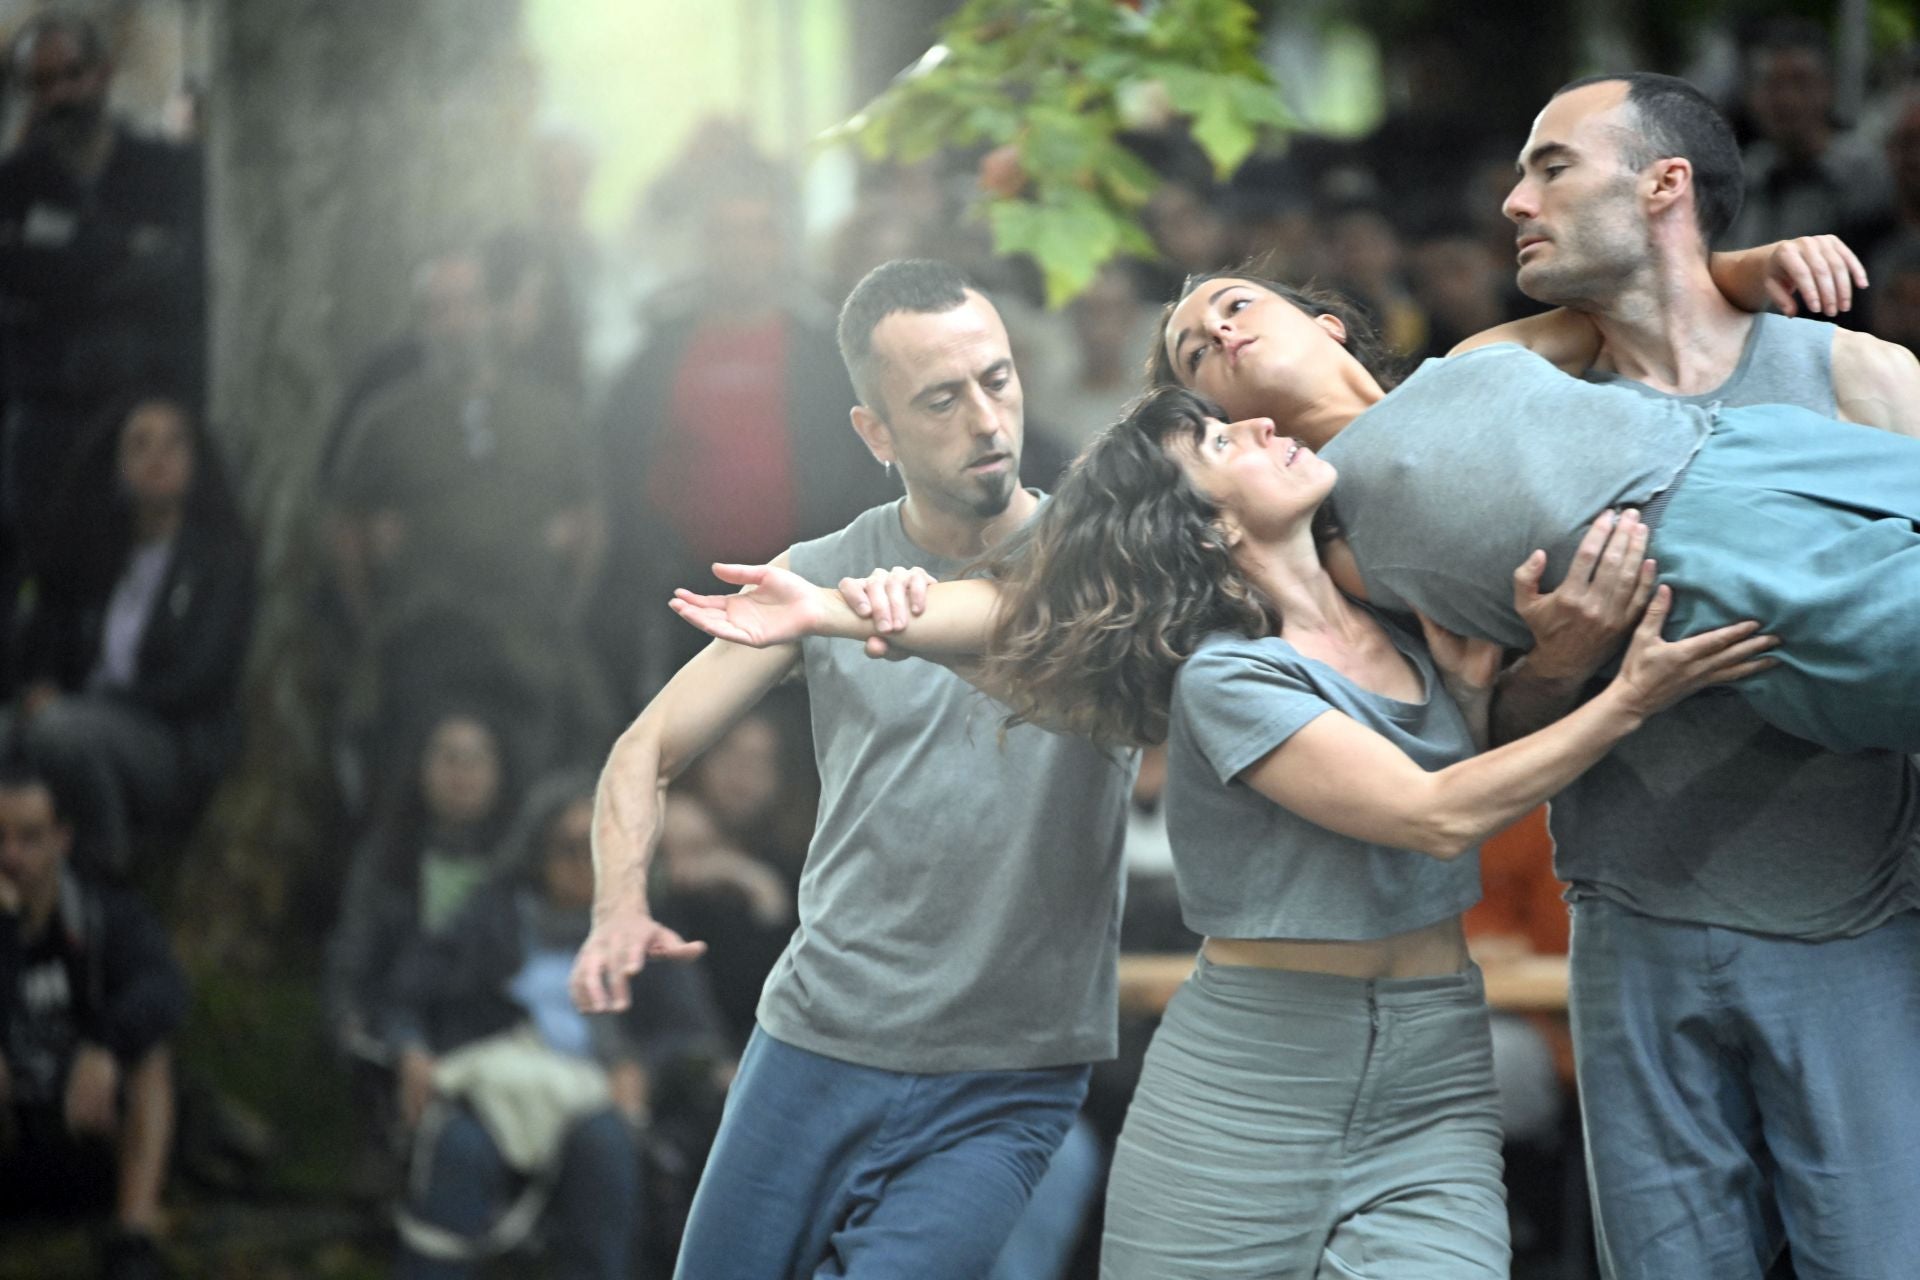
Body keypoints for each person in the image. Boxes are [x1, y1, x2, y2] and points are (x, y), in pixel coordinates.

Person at [666, 383, 1768, 1275]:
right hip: (1254, 1070)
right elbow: (1435, 815)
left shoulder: (1405, 613)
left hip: (1432, 1054)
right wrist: (1630, 697)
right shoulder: (1227, 675)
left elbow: (1457, 767)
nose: (1256, 424)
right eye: (1215, 438)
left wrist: (1527, 681)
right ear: (1208, 521)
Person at [569, 260, 1136, 1278]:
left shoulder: (1099, 562)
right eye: (941, 396)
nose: (986, 418)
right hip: (815, 1040)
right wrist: (618, 902)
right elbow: (643, 747)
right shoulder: (822, 570)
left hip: (1008, 1070)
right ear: (875, 432)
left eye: (998, 379)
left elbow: (1056, 633)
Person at [1479, 74, 1920, 1280]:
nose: (1516, 198)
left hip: (1861, 924)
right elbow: (1482, 719)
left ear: (1664, 183)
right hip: (1631, 926)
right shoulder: (1528, 413)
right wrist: (1565, 661)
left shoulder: (1860, 379)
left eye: (1553, 164)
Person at [1145, 239, 1920, 754]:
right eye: (1194, 352)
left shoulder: (1472, 356)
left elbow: (1624, 304)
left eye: (1235, 304)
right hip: (1715, 568)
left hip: (1767, 448)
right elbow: (1468, 723)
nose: (1218, 331)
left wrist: (1758, 263)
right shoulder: (1326, 540)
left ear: (1328, 325)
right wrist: (1555, 659)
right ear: (1214, 413)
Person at [390, 771, 728, 1280]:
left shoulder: (647, 936)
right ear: (538, 849)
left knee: (607, 1147)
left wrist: (642, 1071)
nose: (583, 862)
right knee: (457, 1149)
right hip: (488, 1087)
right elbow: (408, 993)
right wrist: (410, 1049)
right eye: (569, 846)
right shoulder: (491, 915)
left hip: (594, 1097)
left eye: (597, 844)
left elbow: (694, 1037)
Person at [8, 391, 253, 867]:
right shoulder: (99, 554)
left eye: (173, 445)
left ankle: (109, 875)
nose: (157, 459)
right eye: (139, 445)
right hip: (85, 718)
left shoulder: (220, 561)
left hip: (171, 741)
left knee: (61, 731)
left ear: (196, 461)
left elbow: (201, 678)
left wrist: (83, 706)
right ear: (118, 464)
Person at [0, 15, 205, 576]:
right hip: (53, 419)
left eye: (73, 74)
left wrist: (66, 263)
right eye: (41, 82)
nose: (61, 93)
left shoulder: (168, 172)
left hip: (151, 409)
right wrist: (127, 254)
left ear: (103, 74)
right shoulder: (13, 189)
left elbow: (184, 281)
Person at [0, 752, 187, 1280]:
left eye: (29, 837)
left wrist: (105, 1046)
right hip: (12, 1141)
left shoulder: (105, 915)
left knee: (150, 1057)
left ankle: (134, 1242)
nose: (10, 857)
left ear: (63, 838)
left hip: (87, 1136)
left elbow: (166, 988)